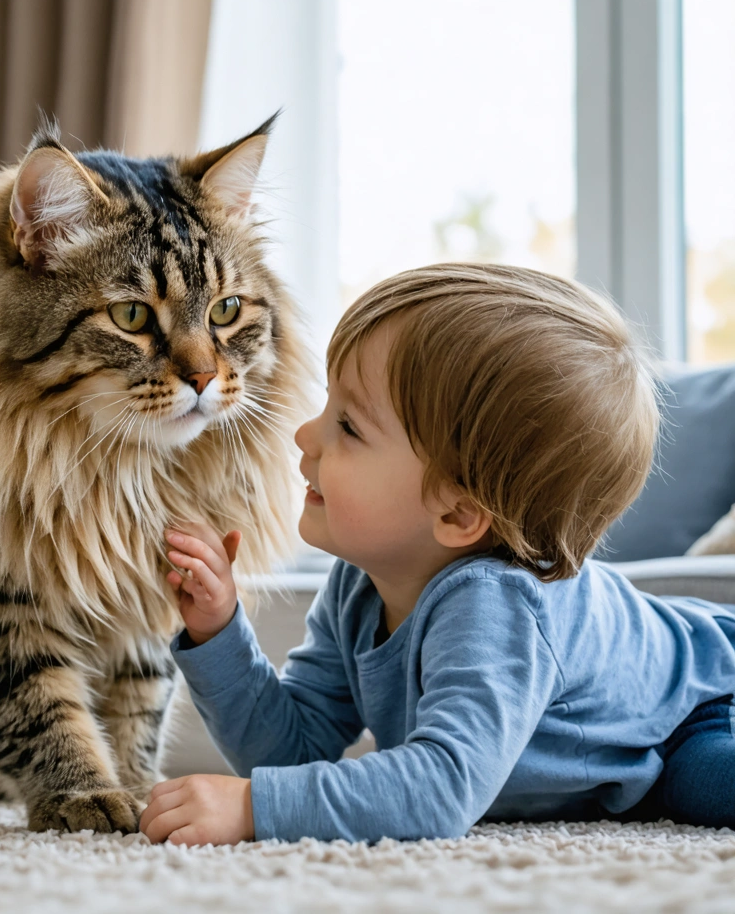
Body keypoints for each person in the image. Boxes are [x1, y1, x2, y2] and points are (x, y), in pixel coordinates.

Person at [138, 263, 735, 846]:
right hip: (650, 738)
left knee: (710, 786)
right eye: (328, 405)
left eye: (349, 426)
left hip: (703, 711)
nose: (305, 434)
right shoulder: (358, 584)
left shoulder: (495, 603)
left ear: (457, 513)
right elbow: (290, 751)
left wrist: (254, 807)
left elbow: (441, 788)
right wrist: (219, 632)